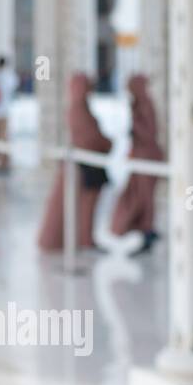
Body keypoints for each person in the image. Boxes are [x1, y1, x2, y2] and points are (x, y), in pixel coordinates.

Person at [37, 73, 111, 251]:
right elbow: (89, 138)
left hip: (90, 164)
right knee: (84, 205)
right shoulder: (77, 109)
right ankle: (83, 239)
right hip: (85, 166)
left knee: (87, 206)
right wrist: (106, 143)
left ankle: (85, 238)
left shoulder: (82, 107)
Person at [109, 73, 165, 255]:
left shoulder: (145, 103)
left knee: (145, 196)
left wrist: (135, 128)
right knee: (138, 194)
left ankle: (146, 229)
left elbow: (149, 132)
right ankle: (136, 227)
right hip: (141, 156)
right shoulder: (138, 103)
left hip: (147, 157)